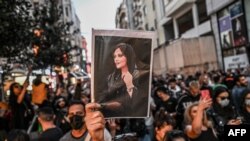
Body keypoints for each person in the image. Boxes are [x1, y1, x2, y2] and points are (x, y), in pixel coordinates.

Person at [98, 43, 147, 117]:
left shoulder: (139, 75)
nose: (116, 59)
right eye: (114, 56)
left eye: (120, 56)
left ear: (128, 56)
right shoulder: (110, 78)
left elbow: (139, 103)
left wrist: (130, 86)